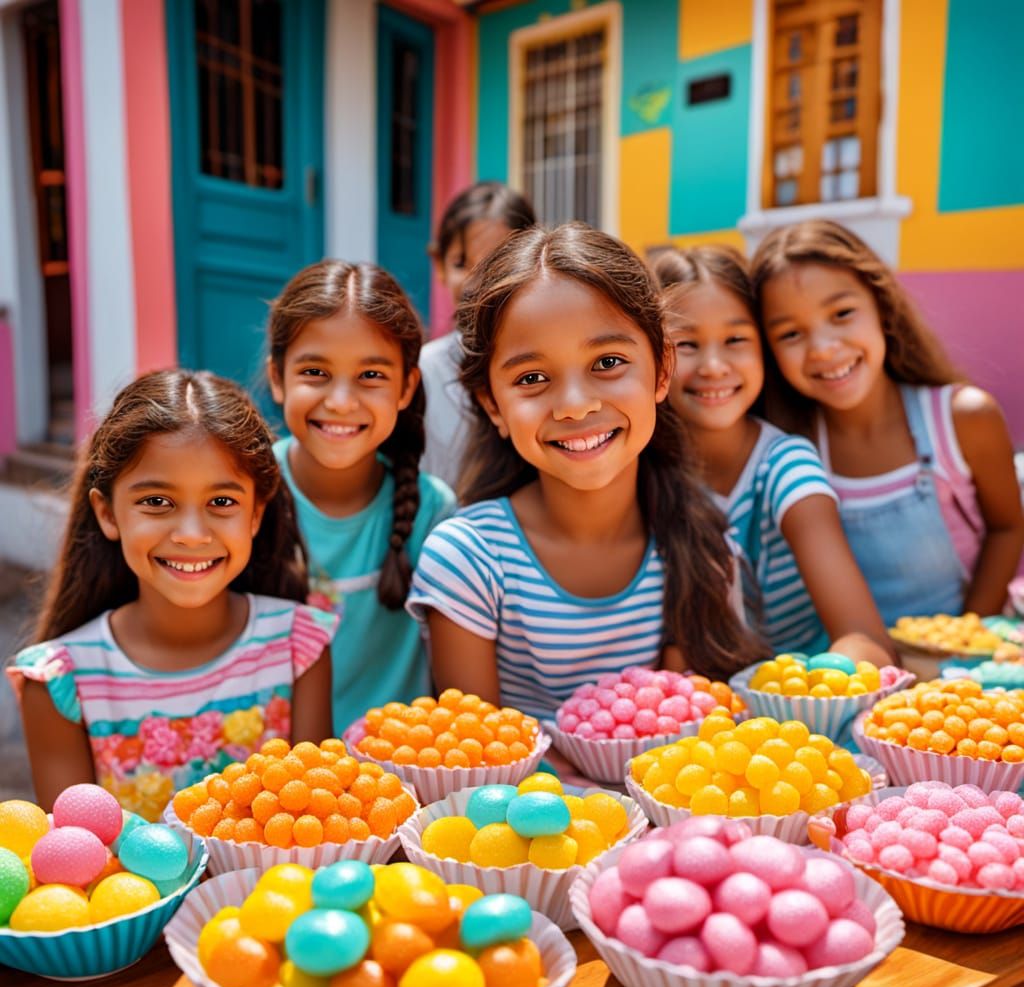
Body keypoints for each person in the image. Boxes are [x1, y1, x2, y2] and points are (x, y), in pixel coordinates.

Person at [407, 223, 768, 720]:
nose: (575, 406)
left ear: (662, 370)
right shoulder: (469, 563)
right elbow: (480, 764)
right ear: (492, 404)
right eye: (532, 378)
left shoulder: (702, 549)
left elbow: (690, 749)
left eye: (608, 362)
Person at [7, 370, 336, 817]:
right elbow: (78, 864)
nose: (192, 535)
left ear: (256, 513)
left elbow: (312, 828)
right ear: (107, 513)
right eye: (157, 502)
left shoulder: (297, 646)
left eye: (222, 502)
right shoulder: (62, 685)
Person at [751, 219, 1024, 623]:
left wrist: (963, 638)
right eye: (791, 334)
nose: (824, 349)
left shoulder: (962, 418)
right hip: (858, 675)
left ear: (882, 306)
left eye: (842, 313)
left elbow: (1007, 529)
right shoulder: (792, 449)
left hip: (969, 666)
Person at [652, 245, 892, 663]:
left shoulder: (786, 466)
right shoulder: (643, 474)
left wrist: (823, 685)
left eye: (735, 340)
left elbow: (864, 638)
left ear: (763, 348)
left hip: (804, 702)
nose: (713, 366)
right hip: (702, 711)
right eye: (687, 344)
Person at [267, 260, 455, 734]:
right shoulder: (241, 497)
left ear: (407, 387)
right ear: (277, 377)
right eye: (315, 371)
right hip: (274, 786)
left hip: (394, 784)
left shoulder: (433, 512)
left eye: (371, 375)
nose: (342, 402)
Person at [421, 181, 537, 488]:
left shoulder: (544, 364)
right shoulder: (426, 370)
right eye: (461, 263)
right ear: (439, 265)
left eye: (496, 264)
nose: (476, 282)